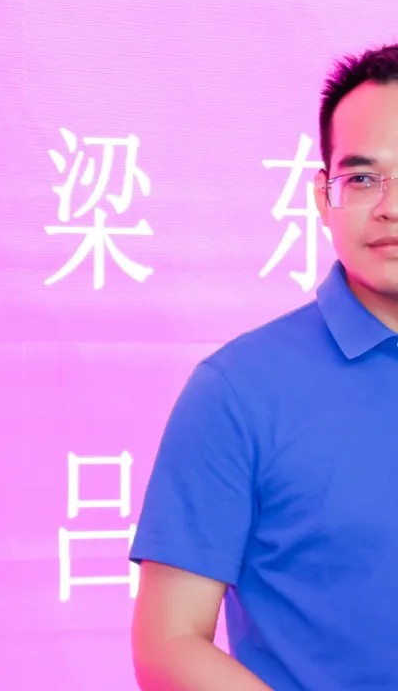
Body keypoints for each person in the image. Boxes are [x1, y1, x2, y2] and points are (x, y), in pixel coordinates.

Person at [130, 44, 398, 690]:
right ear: (322, 197)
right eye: (362, 179)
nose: (389, 206)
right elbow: (168, 643)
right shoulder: (238, 390)